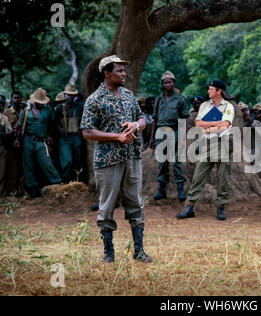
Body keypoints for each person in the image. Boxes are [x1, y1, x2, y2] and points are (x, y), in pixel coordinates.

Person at [81, 55, 152, 263]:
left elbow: (143, 118)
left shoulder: (129, 95)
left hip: (132, 157)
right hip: (108, 160)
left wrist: (136, 125)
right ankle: (108, 253)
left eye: (124, 70)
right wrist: (117, 137)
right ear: (107, 73)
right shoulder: (95, 100)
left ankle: (139, 251)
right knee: (107, 205)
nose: (124, 74)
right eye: (120, 71)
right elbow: (87, 131)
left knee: (136, 203)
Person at [177, 80, 235, 221]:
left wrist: (207, 127)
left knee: (222, 178)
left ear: (218, 91)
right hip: (206, 143)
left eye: (211, 89)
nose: (208, 91)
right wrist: (215, 124)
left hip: (223, 143)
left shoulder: (228, 106)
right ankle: (190, 207)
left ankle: (220, 208)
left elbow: (225, 126)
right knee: (198, 177)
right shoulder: (204, 105)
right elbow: (198, 124)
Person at [13, 88, 62, 199]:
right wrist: (17, 139)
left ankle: (58, 184)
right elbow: (20, 127)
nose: (39, 104)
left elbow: (50, 124)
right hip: (28, 140)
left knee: (47, 163)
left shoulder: (48, 110)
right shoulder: (25, 111)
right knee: (28, 165)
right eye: (37, 102)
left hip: (41, 140)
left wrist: (48, 136)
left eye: (41, 102)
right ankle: (32, 189)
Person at [149, 71, 189, 202]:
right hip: (161, 133)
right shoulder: (159, 100)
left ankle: (181, 190)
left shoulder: (180, 99)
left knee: (177, 162)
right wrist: (152, 138)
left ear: (174, 83)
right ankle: (162, 190)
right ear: (163, 84)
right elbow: (154, 119)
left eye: (170, 82)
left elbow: (184, 119)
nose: (167, 84)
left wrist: (183, 138)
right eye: (165, 82)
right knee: (162, 162)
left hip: (175, 132)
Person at [53, 84, 84, 183]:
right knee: (67, 161)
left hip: (77, 136)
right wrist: (60, 129)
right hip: (65, 138)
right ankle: (65, 181)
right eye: (68, 95)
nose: (70, 97)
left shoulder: (80, 106)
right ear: (65, 95)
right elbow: (54, 123)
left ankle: (75, 181)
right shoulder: (59, 108)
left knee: (77, 160)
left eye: (72, 95)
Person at [4, 91, 26, 195]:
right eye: (15, 98)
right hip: (11, 143)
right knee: (12, 168)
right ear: (12, 99)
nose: (17, 100)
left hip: (24, 142)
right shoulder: (7, 112)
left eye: (19, 98)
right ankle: (11, 192)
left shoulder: (25, 111)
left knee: (23, 167)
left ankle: (22, 190)